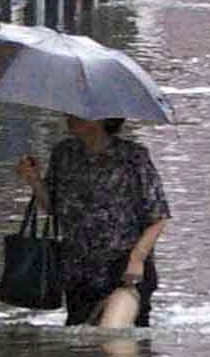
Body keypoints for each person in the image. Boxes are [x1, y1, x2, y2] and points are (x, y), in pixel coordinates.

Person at [13, 117, 171, 328]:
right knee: (84, 349)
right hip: (78, 271)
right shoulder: (63, 153)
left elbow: (159, 216)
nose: (68, 117)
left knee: (112, 332)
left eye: (75, 114)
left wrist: (137, 259)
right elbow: (53, 208)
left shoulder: (133, 156)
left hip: (125, 269)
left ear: (100, 118)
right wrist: (33, 179)